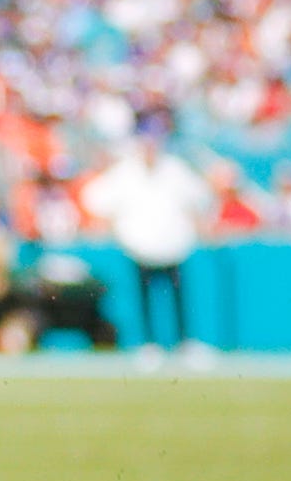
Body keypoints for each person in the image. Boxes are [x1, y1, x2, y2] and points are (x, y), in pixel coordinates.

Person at [82, 119, 212, 361]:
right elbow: (96, 199)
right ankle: (148, 344)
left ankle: (185, 343)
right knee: (143, 299)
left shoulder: (175, 170)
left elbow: (199, 198)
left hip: (173, 246)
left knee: (179, 299)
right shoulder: (125, 172)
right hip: (139, 247)